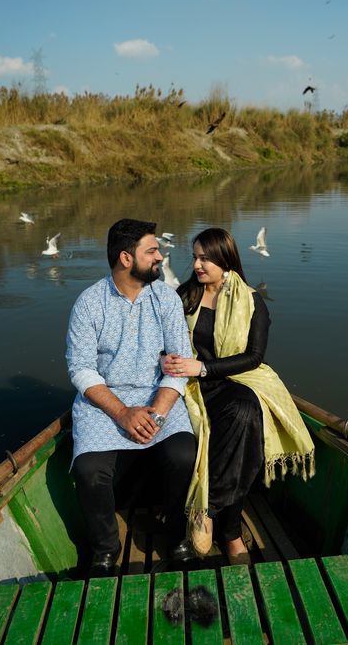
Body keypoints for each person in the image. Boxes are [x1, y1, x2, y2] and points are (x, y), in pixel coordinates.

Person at [163, 227, 315, 564]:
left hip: (232, 379)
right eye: (195, 256)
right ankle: (231, 534)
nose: (197, 264)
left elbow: (254, 358)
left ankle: (208, 510)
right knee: (247, 440)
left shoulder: (250, 300)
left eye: (206, 257)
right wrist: (171, 361)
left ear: (225, 259)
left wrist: (201, 367)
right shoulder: (184, 295)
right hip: (189, 387)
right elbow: (163, 341)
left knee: (246, 411)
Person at [66, 218, 197, 576]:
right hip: (105, 401)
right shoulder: (89, 303)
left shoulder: (166, 299)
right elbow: (81, 370)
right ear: (126, 258)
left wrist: (158, 410)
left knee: (183, 453)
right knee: (89, 470)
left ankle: (176, 536)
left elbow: (179, 363)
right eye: (152, 250)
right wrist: (122, 413)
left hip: (158, 395)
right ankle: (106, 548)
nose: (160, 256)